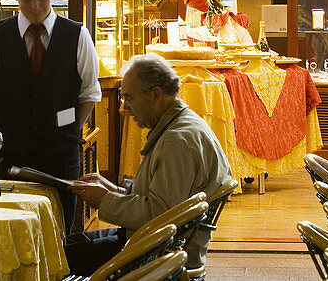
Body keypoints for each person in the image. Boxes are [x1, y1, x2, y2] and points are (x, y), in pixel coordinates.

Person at [67, 53, 231, 274]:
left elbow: (158, 214)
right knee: (60, 250)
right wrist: (112, 189)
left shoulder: (177, 141)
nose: (125, 108)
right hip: (150, 243)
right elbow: (161, 199)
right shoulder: (181, 124)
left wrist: (104, 200)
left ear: (155, 94)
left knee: (55, 261)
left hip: (156, 256)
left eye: (129, 98)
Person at [0, 0, 100, 231]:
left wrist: (65, 131)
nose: (35, 7)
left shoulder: (78, 36)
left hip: (61, 159)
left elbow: (89, 95)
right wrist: (16, 123)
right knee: (16, 234)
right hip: (13, 157)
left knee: (60, 236)